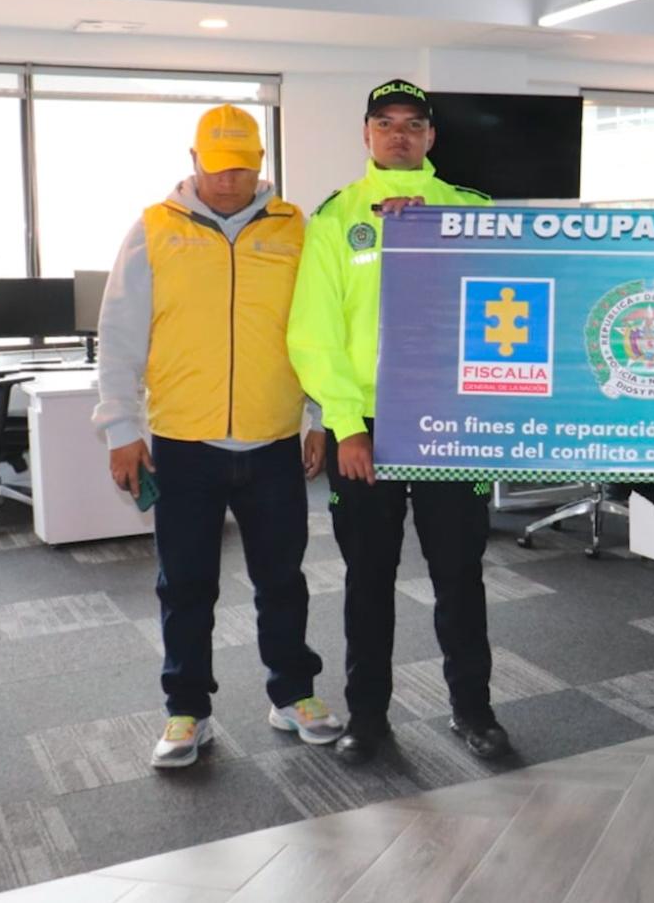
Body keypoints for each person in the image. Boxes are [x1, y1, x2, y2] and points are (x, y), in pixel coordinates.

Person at [94, 104, 342, 769]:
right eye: (216, 164)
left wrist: (317, 417)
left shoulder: (298, 229)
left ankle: (293, 693)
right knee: (186, 584)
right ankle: (187, 710)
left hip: (271, 440)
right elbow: (118, 337)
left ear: (261, 163)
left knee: (282, 578)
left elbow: (317, 332)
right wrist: (121, 427)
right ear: (193, 158)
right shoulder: (153, 230)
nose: (228, 178)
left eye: (242, 165)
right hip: (182, 441)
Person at [288, 79, 510, 764]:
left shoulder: (472, 211)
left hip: (450, 423)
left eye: (413, 125)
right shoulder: (335, 219)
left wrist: (429, 236)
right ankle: (369, 717)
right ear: (366, 135)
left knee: (458, 576)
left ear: (431, 138)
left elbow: (506, 305)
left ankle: (473, 711)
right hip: (370, 430)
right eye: (385, 124)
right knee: (368, 578)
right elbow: (313, 335)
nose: (399, 135)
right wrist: (347, 424)